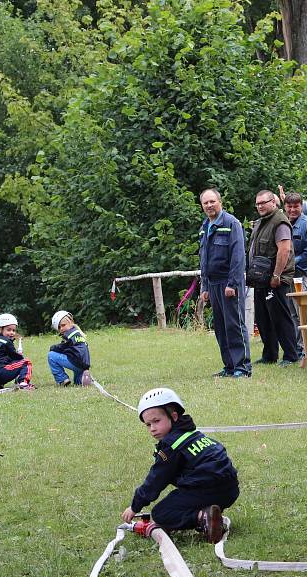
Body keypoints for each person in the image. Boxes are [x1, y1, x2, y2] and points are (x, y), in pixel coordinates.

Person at [121, 388, 239, 543]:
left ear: (174, 416)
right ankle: (211, 515)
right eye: (148, 425)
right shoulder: (194, 434)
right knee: (186, 494)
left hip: (207, 489)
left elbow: (156, 480)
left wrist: (135, 506)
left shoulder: (172, 446)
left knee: (161, 513)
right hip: (231, 489)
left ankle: (202, 517)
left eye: (156, 421)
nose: (152, 429)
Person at [198, 188, 251, 378]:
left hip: (229, 284)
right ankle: (229, 366)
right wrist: (204, 287)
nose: (209, 205)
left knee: (234, 324)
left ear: (219, 202)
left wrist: (233, 283)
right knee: (220, 328)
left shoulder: (231, 223)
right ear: (202, 206)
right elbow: (203, 259)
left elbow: (238, 257)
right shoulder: (205, 226)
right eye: (206, 203)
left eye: (212, 201)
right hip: (212, 284)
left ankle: (242, 368)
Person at [248, 190, 299, 366]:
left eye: (263, 202)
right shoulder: (261, 222)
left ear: (274, 202)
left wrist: (277, 275)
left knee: (280, 318)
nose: (260, 206)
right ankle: (269, 355)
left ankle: (291, 356)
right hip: (261, 279)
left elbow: (284, 250)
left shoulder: (280, 221)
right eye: (258, 203)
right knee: (263, 318)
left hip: (276, 280)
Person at [282, 189, 307, 360]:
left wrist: (289, 263)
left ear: (301, 206)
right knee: (290, 314)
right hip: (285, 276)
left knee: (302, 312)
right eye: (289, 206)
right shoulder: (283, 224)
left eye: (296, 206)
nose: (292, 210)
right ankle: (297, 349)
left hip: (300, 276)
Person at [0, 313, 34, 390]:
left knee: (6, 363)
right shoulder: (6, 342)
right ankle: (23, 383)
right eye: (8, 330)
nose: (12, 333)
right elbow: (17, 358)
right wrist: (20, 356)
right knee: (26, 363)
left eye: (13, 330)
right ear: (0, 329)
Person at [47, 310, 92, 386]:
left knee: (51, 355)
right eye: (59, 327)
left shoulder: (69, 334)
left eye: (63, 325)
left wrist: (53, 347)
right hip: (84, 363)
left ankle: (62, 379)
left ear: (71, 322)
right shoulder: (78, 334)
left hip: (75, 361)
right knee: (78, 383)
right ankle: (82, 379)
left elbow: (62, 347)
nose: (61, 328)